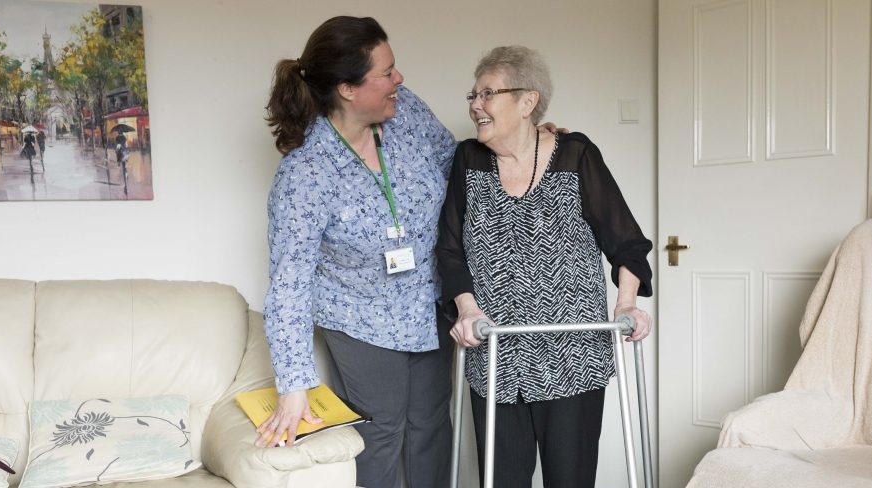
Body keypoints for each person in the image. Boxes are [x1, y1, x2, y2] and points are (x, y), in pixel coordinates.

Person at [436, 46, 654, 488]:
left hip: (573, 359)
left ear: (527, 101)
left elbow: (627, 242)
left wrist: (626, 303)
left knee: (570, 481)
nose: (475, 105)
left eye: (487, 94)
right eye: (472, 95)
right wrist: (466, 308)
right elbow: (450, 251)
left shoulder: (576, 155)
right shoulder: (468, 160)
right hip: (495, 357)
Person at [257, 16, 457, 488]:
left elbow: (457, 163)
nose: (398, 80)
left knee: (431, 427)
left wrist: (524, 145)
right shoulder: (305, 175)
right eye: (385, 73)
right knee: (382, 432)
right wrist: (293, 385)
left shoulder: (405, 111)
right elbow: (289, 283)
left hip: (431, 302)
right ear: (347, 88)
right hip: (361, 316)